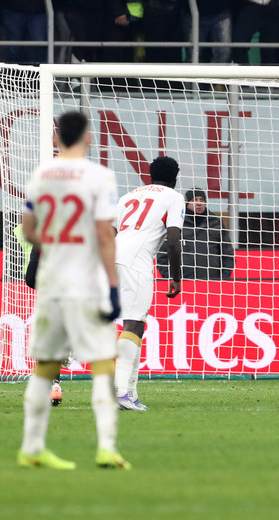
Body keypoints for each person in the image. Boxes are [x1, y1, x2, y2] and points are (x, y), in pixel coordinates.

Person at [18, 110, 128, 469]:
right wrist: (112, 286)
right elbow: (103, 235)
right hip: (85, 281)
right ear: (88, 137)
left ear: (56, 138)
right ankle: (106, 447)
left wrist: (53, 245)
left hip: (51, 281)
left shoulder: (40, 175)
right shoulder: (99, 176)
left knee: (45, 367)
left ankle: (32, 449)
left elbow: (28, 228)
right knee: (102, 364)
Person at [112, 155, 183, 411]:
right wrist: (175, 277)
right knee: (133, 322)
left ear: (150, 174)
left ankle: (129, 392)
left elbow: (111, 231)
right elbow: (174, 239)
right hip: (137, 261)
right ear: (175, 177)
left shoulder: (128, 196)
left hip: (111, 256)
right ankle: (120, 390)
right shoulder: (173, 197)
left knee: (136, 324)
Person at [160, 188, 234, 279]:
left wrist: (223, 278)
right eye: (194, 200)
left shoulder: (215, 222)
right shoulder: (176, 223)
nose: (199, 203)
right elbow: (162, 255)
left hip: (212, 282)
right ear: (187, 203)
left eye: (201, 200)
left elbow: (227, 253)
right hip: (184, 282)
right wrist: (172, 278)